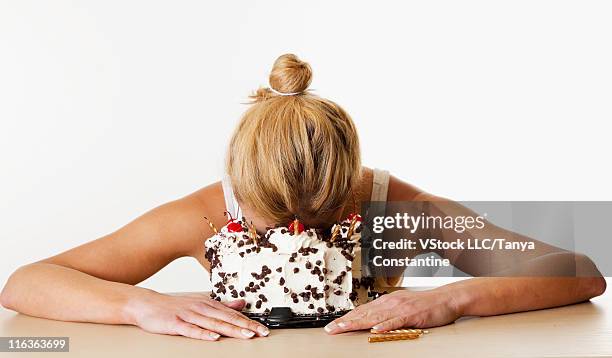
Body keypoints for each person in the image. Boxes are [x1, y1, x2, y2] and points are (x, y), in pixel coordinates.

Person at [1, 54, 605, 341]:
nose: (296, 232)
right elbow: (25, 282)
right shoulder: (205, 213)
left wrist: (452, 297)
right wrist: (137, 305)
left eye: (319, 219)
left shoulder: (393, 208)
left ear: (352, 186)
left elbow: (578, 273)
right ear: (238, 189)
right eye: (273, 221)